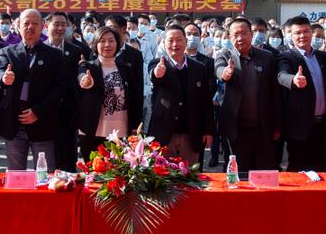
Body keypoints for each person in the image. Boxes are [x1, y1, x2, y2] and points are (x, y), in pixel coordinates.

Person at [0, 9, 66, 171]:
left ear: (42, 26)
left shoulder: (55, 55)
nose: (30, 27)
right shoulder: (7, 51)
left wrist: (38, 111)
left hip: (42, 121)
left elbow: (59, 88)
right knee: (15, 174)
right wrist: (3, 78)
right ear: (18, 26)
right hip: (15, 122)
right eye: (26, 23)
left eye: (35, 23)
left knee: (45, 174)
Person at [214, 18, 281, 171]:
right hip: (235, 129)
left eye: (244, 33)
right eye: (235, 34)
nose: (240, 38)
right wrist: (225, 73)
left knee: (263, 173)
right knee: (238, 173)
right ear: (229, 37)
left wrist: (277, 125)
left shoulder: (267, 57)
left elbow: (275, 93)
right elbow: (219, 69)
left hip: (263, 128)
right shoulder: (224, 55)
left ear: (251, 34)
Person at [147, 23, 215, 164]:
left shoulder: (199, 68)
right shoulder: (157, 64)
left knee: (190, 174)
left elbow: (206, 101)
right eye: (170, 40)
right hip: (164, 134)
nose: (175, 44)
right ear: (164, 43)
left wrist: (208, 130)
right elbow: (154, 75)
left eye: (179, 40)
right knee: (164, 174)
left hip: (191, 133)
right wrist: (157, 73)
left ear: (185, 41)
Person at [276, 15, 326, 172]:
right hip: (299, 126)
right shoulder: (286, 56)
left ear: (311, 32)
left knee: (321, 170)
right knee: (298, 169)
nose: (302, 36)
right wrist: (293, 80)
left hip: (323, 125)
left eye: (306, 31)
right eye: (297, 33)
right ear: (291, 35)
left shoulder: (322, 56)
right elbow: (282, 75)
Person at [77, 26, 144, 159]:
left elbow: (135, 98)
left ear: (117, 44)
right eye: (102, 41)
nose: (107, 45)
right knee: (93, 170)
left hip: (121, 134)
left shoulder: (126, 69)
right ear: (95, 45)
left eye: (111, 41)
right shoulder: (88, 66)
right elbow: (82, 76)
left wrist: (136, 126)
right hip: (92, 132)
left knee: (118, 171)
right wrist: (85, 81)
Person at [44, 12, 89, 171]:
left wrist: (83, 77)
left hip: (69, 111)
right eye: (56, 24)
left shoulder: (75, 50)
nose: (60, 28)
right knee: (48, 157)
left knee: (69, 156)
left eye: (64, 24)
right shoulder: (40, 49)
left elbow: (81, 69)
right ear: (47, 26)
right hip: (45, 111)